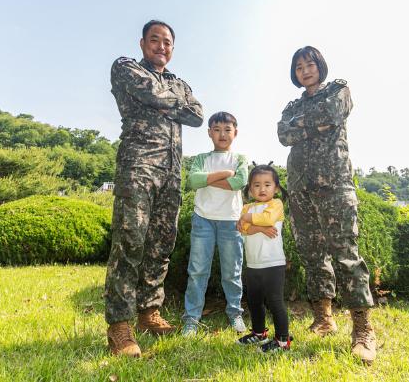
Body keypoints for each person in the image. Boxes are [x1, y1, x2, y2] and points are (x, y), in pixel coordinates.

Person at [105, 20, 203, 358]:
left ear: (173, 48)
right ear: (143, 42)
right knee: (130, 241)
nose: (162, 46)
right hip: (139, 167)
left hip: (172, 172)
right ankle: (119, 327)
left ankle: (149, 313)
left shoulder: (179, 82)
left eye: (167, 42)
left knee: (161, 245)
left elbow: (197, 114)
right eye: (155, 40)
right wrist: (168, 101)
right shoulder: (126, 67)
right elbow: (148, 92)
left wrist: (163, 100)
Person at [277, 46, 377, 363]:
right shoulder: (292, 105)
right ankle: (324, 316)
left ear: (321, 66)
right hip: (300, 188)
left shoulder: (338, 89)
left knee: (346, 254)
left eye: (310, 64)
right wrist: (312, 126)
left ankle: (362, 329)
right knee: (311, 253)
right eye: (298, 66)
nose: (305, 70)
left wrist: (301, 127)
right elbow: (282, 134)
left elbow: (332, 114)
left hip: (335, 184)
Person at [181, 111, 249, 336]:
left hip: (231, 223)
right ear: (209, 132)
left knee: (232, 272)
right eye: (217, 130)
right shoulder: (201, 158)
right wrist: (223, 175)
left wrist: (209, 179)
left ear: (235, 133)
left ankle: (235, 314)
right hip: (203, 221)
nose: (222, 134)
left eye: (227, 130)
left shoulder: (240, 159)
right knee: (198, 271)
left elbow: (239, 182)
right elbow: (193, 181)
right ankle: (191, 318)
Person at [235, 164, 292, 352]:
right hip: (253, 264)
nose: (262, 189)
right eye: (256, 185)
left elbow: (268, 219)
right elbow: (241, 228)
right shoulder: (247, 207)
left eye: (267, 184)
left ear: (275, 188)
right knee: (254, 301)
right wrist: (259, 228)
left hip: (273, 264)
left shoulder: (276, 204)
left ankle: (283, 340)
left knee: (275, 301)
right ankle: (259, 333)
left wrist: (249, 220)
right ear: (250, 189)